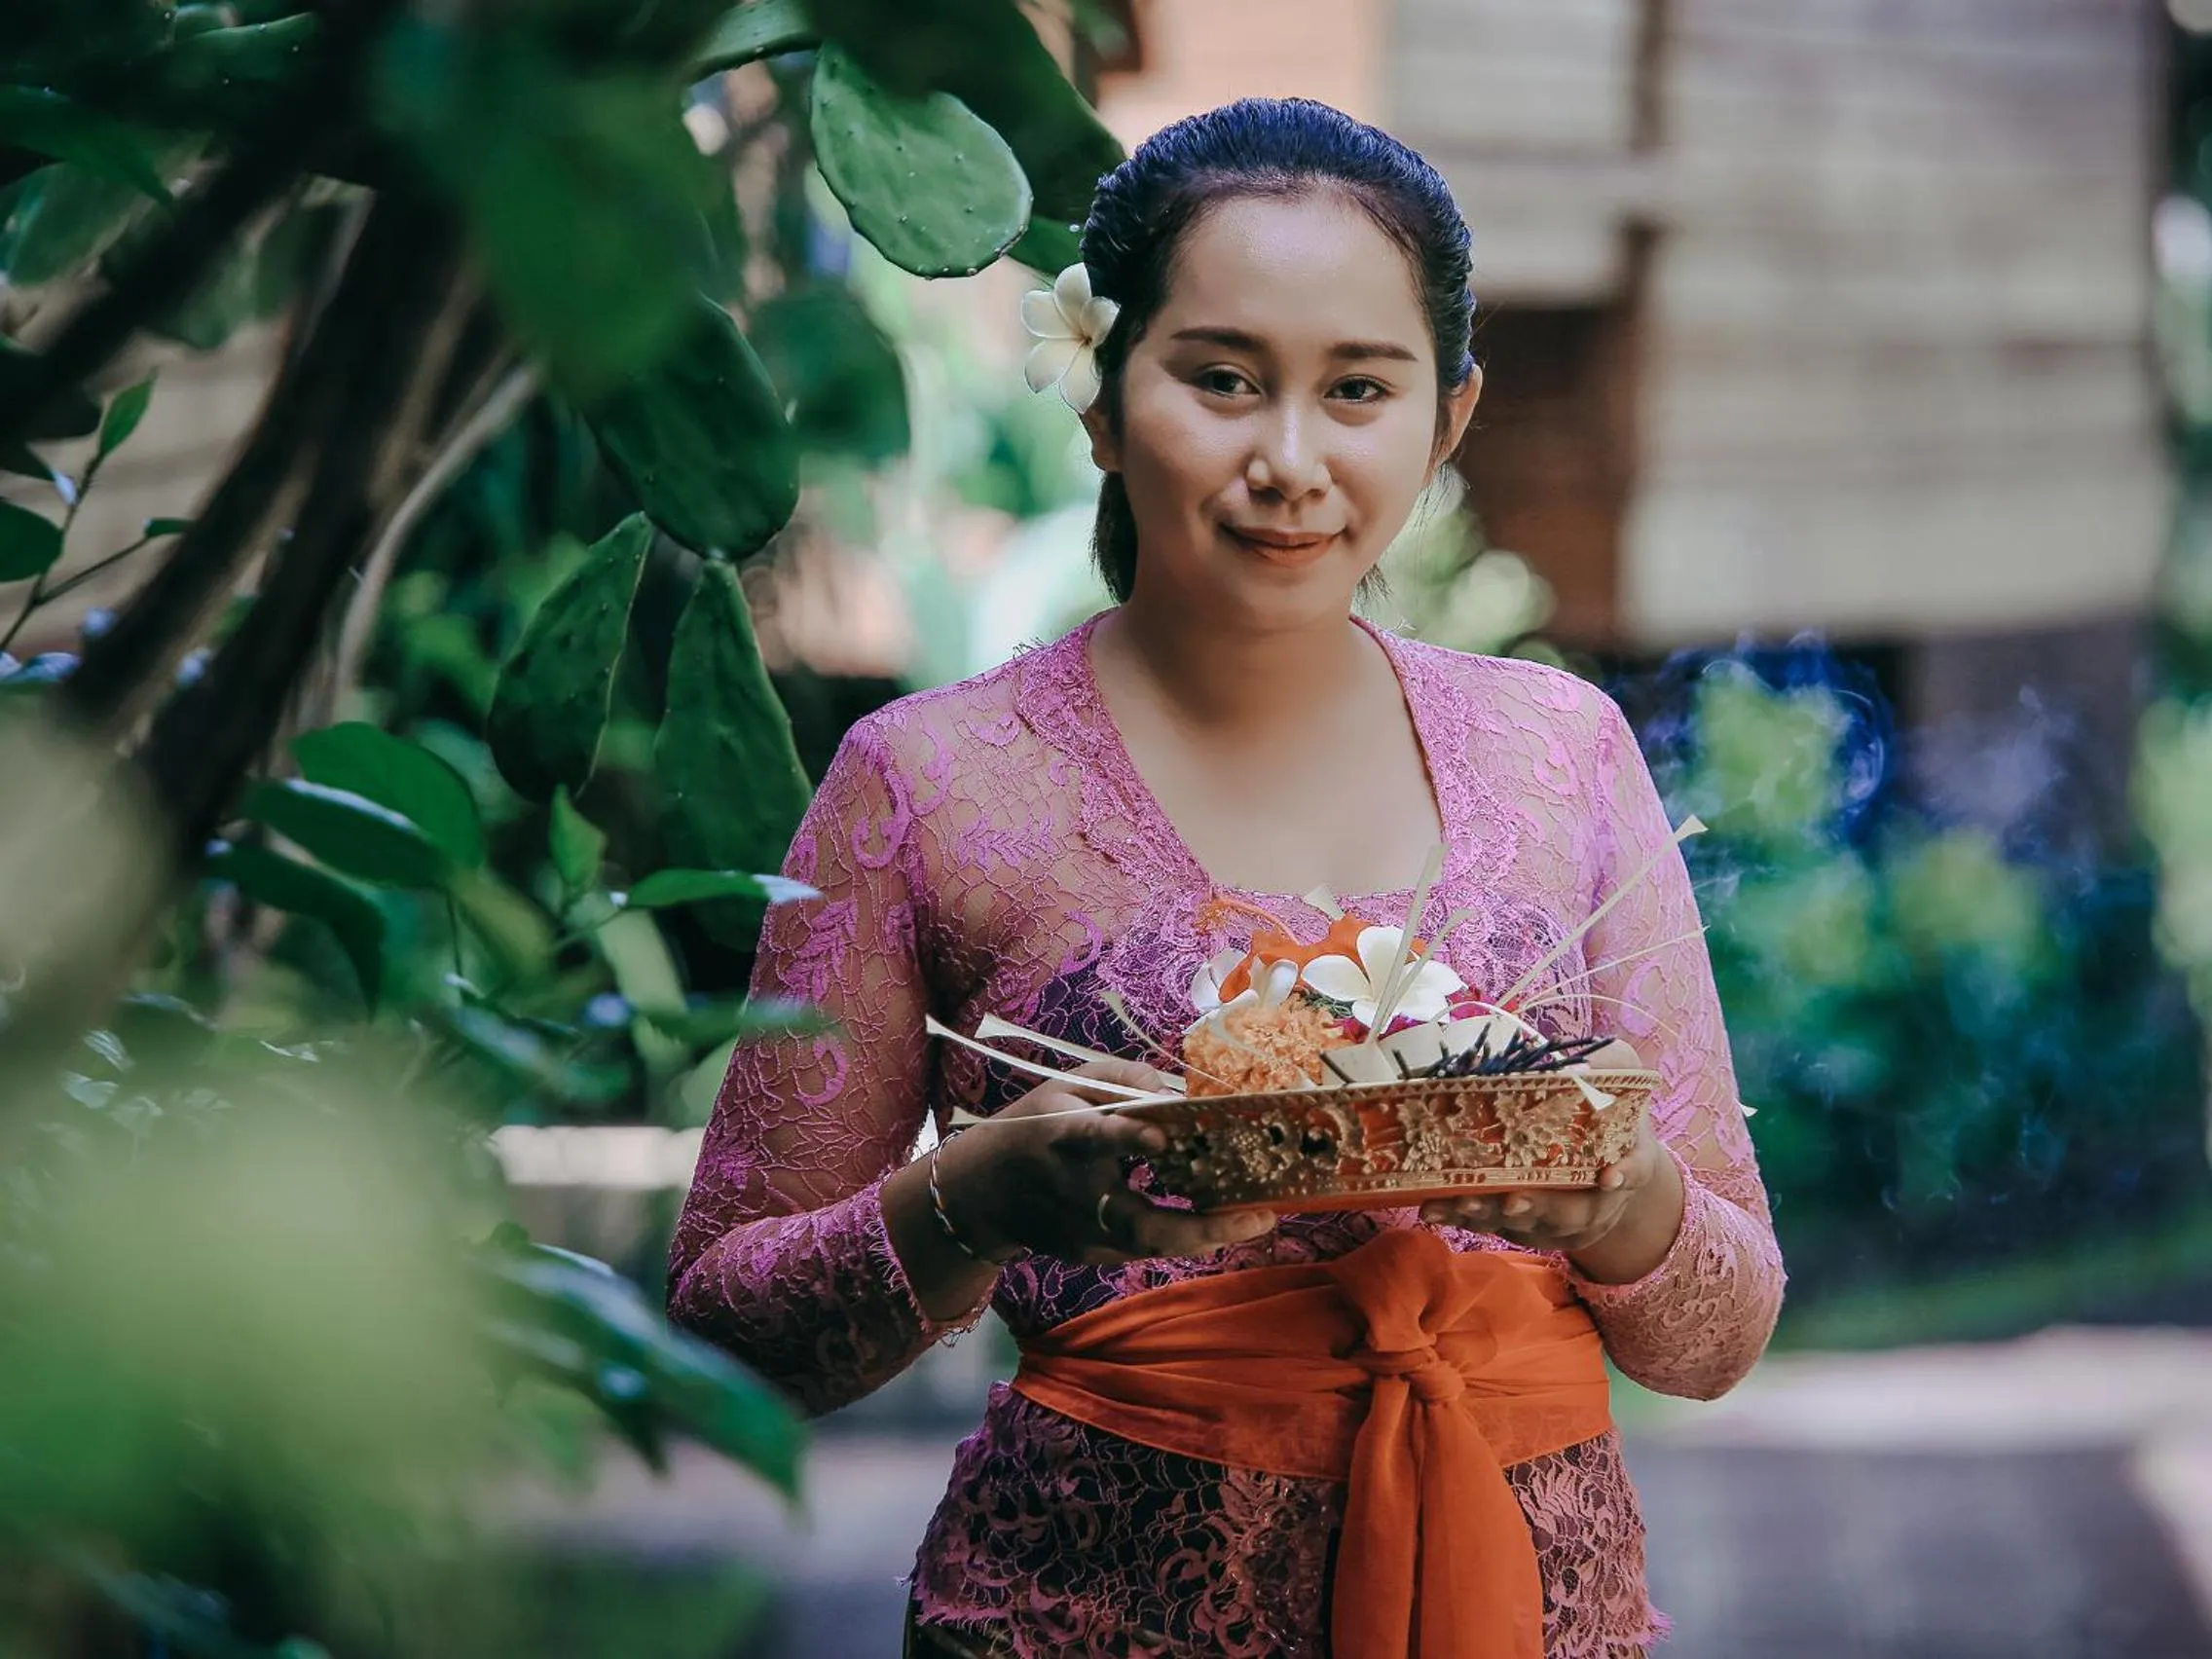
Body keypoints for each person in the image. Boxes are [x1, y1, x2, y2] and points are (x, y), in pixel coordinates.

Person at [669, 96, 1785, 1659]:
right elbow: (728, 1321)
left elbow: (1721, 1332)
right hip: (1078, 1616)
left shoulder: (1563, 752)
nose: (1289, 460)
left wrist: (1624, 1200)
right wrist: (972, 1199)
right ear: (1104, 399)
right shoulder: (928, 786)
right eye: (1220, 379)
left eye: (1358, 391)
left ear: (1448, 419)